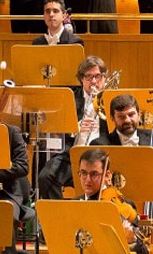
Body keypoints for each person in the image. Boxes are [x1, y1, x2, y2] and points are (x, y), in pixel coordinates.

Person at [37, 55, 111, 199]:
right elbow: (57, 127)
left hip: (100, 157)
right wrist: (75, 128)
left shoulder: (111, 99)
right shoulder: (70, 98)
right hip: (71, 154)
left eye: (98, 76)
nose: (94, 81)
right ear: (81, 79)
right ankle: (60, 217)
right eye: (89, 77)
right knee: (45, 177)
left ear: (104, 78)